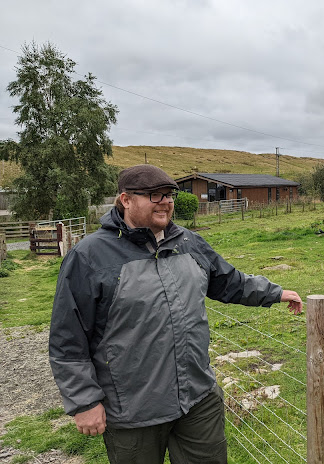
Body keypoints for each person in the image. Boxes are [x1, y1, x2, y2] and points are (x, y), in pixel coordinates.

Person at [49, 164, 303, 463]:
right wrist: (84, 401)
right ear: (126, 200)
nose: (166, 202)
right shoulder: (90, 256)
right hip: (133, 408)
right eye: (154, 195)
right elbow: (68, 338)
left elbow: (228, 282)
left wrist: (274, 292)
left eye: (169, 195)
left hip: (197, 397)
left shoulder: (187, 242)